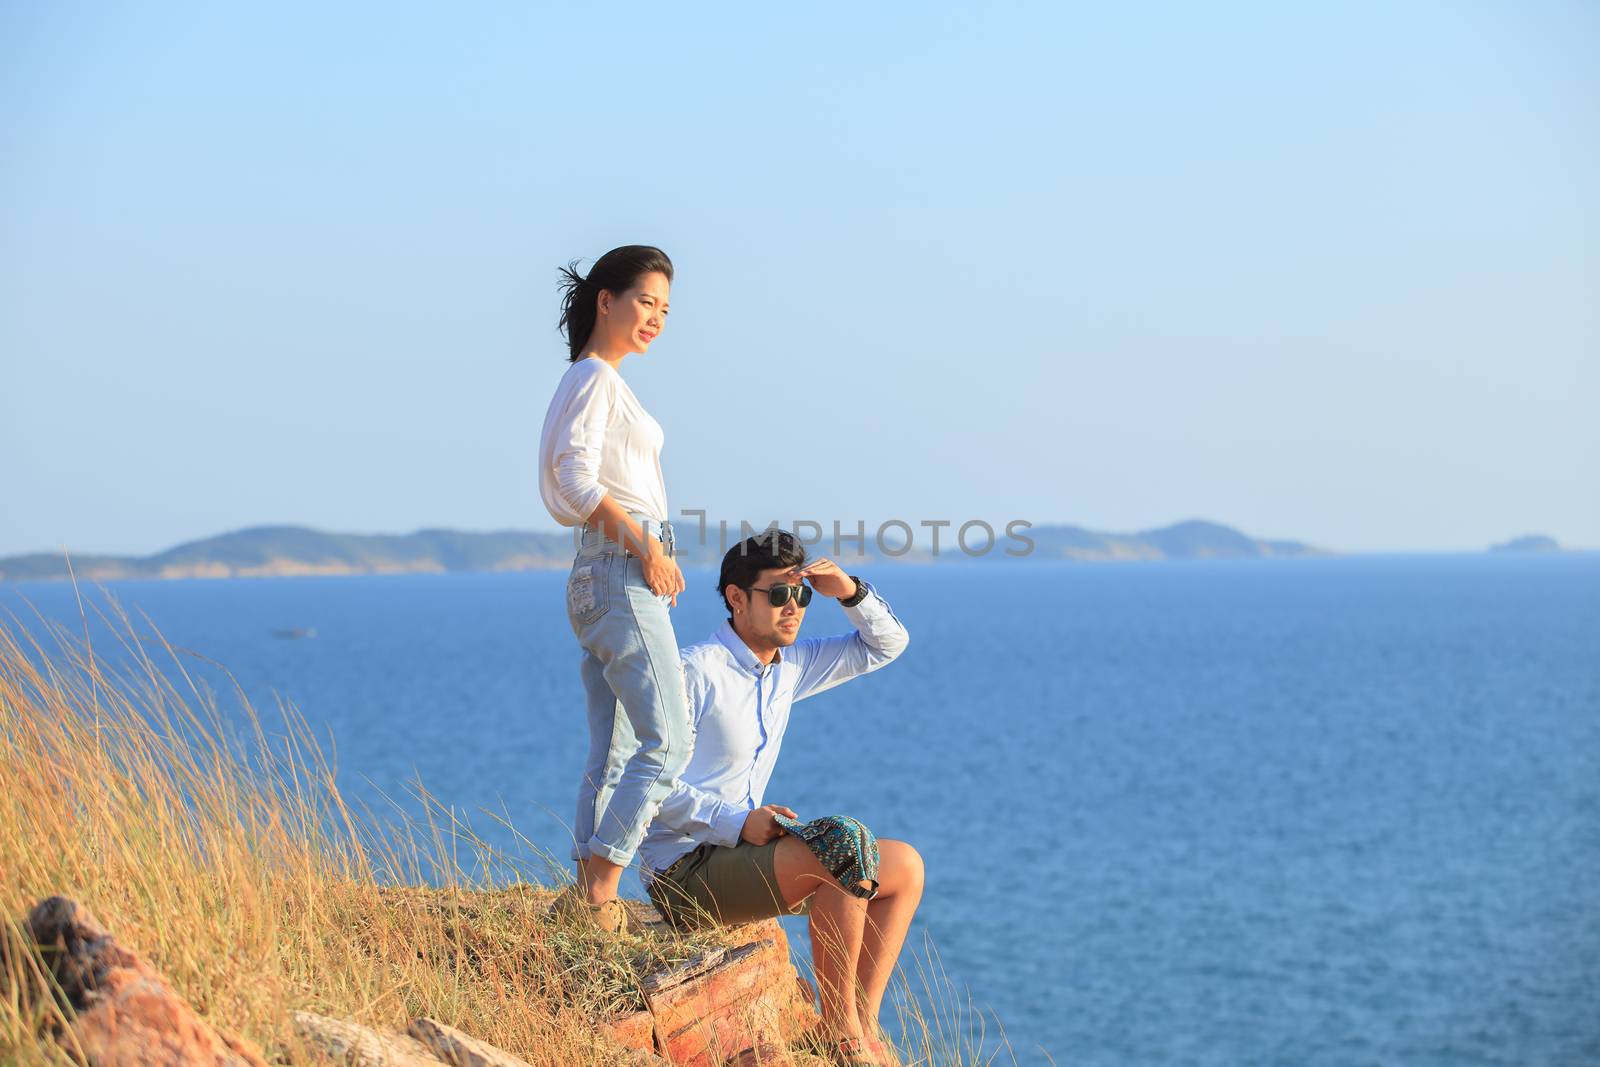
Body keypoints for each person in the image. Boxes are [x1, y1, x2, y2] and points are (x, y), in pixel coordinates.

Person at [640, 531, 921, 1066]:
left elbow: (887, 644)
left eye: (802, 596)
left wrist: (848, 591)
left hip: (740, 854)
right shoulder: (693, 672)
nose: (794, 608)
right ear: (736, 598)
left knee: (905, 866)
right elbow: (648, 787)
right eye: (778, 594)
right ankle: (842, 1039)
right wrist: (736, 823)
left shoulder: (789, 667)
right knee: (842, 847)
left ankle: (859, 1020)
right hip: (681, 871)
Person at [537, 244, 690, 934]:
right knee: (672, 739)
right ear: (607, 300)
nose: (656, 317)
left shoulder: (592, 378)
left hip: (601, 571)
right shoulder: (597, 378)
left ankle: (585, 895)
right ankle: (602, 885)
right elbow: (575, 481)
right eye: (645, 301)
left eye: (664, 307)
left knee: (618, 745)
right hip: (619, 567)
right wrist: (648, 547)